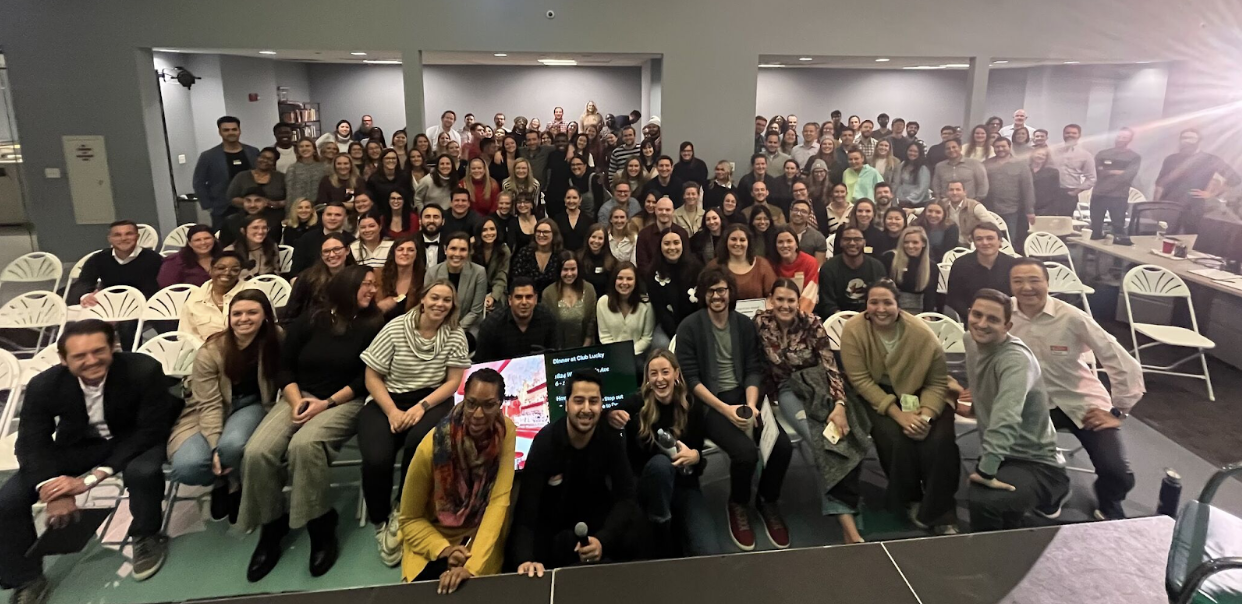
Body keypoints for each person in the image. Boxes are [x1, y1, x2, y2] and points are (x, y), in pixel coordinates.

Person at [0, 320, 172, 601]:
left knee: (142, 471)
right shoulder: (44, 385)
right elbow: (32, 441)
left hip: (134, 438)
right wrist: (53, 487)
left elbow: (150, 429)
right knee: (8, 500)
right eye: (79, 356)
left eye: (99, 351)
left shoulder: (143, 369)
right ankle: (25, 577)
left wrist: (90, 479)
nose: (91, 361)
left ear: (113, 348)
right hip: (82, 444)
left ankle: (147, 535)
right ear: (63, 359)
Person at [240, 266, 383, 581]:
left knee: (305, 446)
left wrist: (326, 404)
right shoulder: (312, 319)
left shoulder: (374, 324)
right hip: (298, 395)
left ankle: (320, 525)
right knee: (257, 451)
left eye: (374, 285)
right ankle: (271, 524)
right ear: (348, 286)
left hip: (344, 400)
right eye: (366, 284)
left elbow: (366, 378)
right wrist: (295, 401)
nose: (372, 290)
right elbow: (284, 366)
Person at [1007, 259, 1144, 520]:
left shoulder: (1071, 317)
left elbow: (1120, 360)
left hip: (1082, 402)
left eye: (1034, 280)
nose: (1027, 287)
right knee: (1018, 465)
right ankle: (1054, 492)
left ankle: (1109, 500)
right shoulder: (1004, 314)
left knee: (1117, 472)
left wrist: (1118, 411)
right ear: (1010, 285)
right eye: (1018, 281)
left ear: (1047, 283)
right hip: (1031, 403)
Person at [675, 268, 793, 550]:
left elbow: (753, 367)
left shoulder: (743, 324)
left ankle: (767, 500)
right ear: (704, 294)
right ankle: (738, 503)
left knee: (782, 446)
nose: (717, 296)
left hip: (746, 396)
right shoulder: (689, 327)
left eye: (722, 290)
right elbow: (692, 381)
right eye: (712, 291)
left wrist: (751, 407)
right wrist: (727, 410)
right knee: (745, 453)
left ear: (731, 293)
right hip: (709, 403)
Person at [359, 279, 471, 567]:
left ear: (452, 306)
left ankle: (403, 509)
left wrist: (422, 407)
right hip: (387, 398)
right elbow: (371, 377)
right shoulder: (395, 328)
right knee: (376, 458)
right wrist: (393, 412)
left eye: (446, 300)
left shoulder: (455, 334)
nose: (440, 304)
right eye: (435, 298)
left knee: (418, 446)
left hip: (432, 398)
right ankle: (380, 517)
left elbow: (453, 381)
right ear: (423, 299)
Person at [841, 280, 959, 533]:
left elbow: (937, 381)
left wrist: (925, 416)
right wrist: (899, 415)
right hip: (877, 393)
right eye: (874, 302)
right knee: (895, 438)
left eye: (887, 302)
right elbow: (860, 380)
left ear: (899, 306)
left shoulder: (921, 333)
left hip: (923, 392)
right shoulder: (854, 330)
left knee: (940, 440)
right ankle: (911, 499)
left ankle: (941, 511)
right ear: (866, 305)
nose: (880, 309)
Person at [754, 280, 864, 543]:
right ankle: (850, 527)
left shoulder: (812, 324)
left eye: (791, 300)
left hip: (818, 386)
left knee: (840, 438)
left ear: (797, 301)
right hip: (787, 391)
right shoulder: (760, 323)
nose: (785, 305)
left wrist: (839, 405)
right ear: (771, 300)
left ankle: (849, 514)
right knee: (821, 442)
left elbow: (830, 367)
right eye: (779, 299)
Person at [511, 369, 645, 574]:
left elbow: (626, 498)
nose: (586, 408)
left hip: (597, 526)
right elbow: (527, 511)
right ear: (566, 404)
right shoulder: (545, 443)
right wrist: (525, 559)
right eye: (579, 400)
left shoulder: (610, 438)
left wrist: (603, 540)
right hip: (557, 532)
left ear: (601, 405)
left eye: (593, 401)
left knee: (635, 531)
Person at [397, 368, 515, 592]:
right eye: (472, 403)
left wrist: (471, 567)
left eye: (488, 405)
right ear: (463, 401)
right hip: (436, 535)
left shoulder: (506, 430)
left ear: (500, 404)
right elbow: (409, 520)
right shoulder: (431, 448)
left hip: (478, 532)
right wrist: (445, 550)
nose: (478, 414)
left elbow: (498, 501)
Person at [962, 289, 1070, 532]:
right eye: (977, 315)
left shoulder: (1015, 360)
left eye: (992, 319)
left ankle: (989, 566)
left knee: (983, 500)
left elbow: (1006, 416)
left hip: (1037, 462)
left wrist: (986, 470)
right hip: (1004, 453)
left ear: (1007, 325)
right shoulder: (969, 340)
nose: (981, 324)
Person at [168, 289, 280, 524]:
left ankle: (236, 485)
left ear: (265, 316)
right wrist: (211, 445)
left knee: (232, 446)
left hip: (252, 403)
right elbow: (208, 404)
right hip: (211, 407)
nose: (244, 318)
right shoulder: (211, 350)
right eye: (237, 313)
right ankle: (220, 479)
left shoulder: (276, 339)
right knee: (187, 466)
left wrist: (220, 450)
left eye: (252, 312)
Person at [605, 350, 715, 557]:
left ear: (676, 374)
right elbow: (604, 418)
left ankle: (669, 523)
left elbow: (697, 461)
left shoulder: (692, 407)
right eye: (653, 373)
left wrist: (696, 457)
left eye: (665, 372)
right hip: (647, 488)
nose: (660, 379)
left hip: (684, 487)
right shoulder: (637, 405)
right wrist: (610, 415)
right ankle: (661, 523)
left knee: (708, 552)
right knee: (660, 465)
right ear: (647, 378)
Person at [1153, 128, 1241, 233]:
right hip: (1169, 205)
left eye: (1191, 138)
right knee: (1162, 237)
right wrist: (1155, 205)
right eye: (1184, 138)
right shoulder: (1171, 159)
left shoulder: (1210, 160)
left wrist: (1211, 194)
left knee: (1189, 238)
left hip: (1193, 206)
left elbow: (1235, 179)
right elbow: (1160, 185)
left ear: (1199, 141)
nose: (1187, 141)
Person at [68, 220, 162, 304]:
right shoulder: (98, 259)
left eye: (129, 234)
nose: (123, 238)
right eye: (117, 235)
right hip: (106, 304)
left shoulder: (154, 259)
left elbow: (153, 291)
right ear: (110, 239)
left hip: (139, 307)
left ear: (137, 237)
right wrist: (85, 296)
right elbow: (84, 283)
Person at [194, 116, 260, 229]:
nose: (231, 132)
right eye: (226, 130)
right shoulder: (208, 156)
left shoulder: (253, 152)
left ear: (239, 131)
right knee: (224, 242)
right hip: (222, 208)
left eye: (234, 129)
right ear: (219, 132)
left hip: (251, 207)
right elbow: (198, 183)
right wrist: (209, 206)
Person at [475, 278, 557, 362]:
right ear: (510, 300)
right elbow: (481, 364)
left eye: (529, 297)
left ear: (535, 299)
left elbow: (556, 357)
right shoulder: (491, 325)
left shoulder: (547, 319)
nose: (524, 302)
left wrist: (545, 357)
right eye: (518, 297)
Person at [646, 229, 702, 350]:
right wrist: (676, 335)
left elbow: (701, 305)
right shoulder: (653, 272)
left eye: (676, 242)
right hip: (668, 326)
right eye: (667, 243)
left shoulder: (696, 268)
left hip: (695, 324)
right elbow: (660, 310)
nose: (672, 247)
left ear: (683, 244)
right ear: (660, 246)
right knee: (660, 345)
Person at [947, 222, 1016, 318]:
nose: (985, 243)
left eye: (990, 238)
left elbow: (1015, 296)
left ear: (1000, 241)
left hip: (1007, 318)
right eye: (979, 239)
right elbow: (954, 298)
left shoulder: (1013, 265)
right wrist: (973, 316)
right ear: (974, 242)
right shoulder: (960, 264)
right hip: (971, 318)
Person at [817, 226, 888, 317]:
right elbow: (827, 303)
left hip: (870, 318)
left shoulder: (877, 267)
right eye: (847, 239)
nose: (852, 243)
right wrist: (845, 321)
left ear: (864, 242)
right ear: (841, 243)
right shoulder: (828, 268)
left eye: (857, 239)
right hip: (837, 320)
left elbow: (881, 299)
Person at [285, 233, 356, 323]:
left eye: (337, 249)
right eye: (326, 251)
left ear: (347, 250)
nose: (332, 255)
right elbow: (292, 312)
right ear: (321, 255)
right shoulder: (307, 278)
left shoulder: (357, 277)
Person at [177, 251, 246, 340]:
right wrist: (206, 351)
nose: (227, 273)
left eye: (235, 270)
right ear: (211, 269)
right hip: (204, 350)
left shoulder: (252, 293)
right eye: (221, 268)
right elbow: (186, 334)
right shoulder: (195, 298)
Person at [426, 232, 487, 332]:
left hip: (468, 327)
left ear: (469, 252)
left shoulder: (479, 273)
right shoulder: (432, 273)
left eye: (463, 250)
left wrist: (455, 331)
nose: (457, 254)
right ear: (445, 250)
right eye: (453, 249)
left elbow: (475, 312)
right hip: (437, 325)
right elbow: (428, 305)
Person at [983, 137, 1036, 251]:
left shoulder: (1021, 165)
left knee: (1008, 241)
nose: (1000, 149)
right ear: (993, 148)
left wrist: (1030, 210)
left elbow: (1028, 188)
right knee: (988, 239)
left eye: (1003, 146)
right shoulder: (986, 164)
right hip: (990, 209)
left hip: (1012, 210)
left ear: (1009, 147)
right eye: (997, 147)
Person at [1091, 128, 1141, 244]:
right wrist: (1118, 171)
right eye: (1119, 137)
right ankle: (1091, 257)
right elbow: (1097, 172)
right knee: (1095, 228)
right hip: (1099, 194)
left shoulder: (1134, 157)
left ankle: (1117, 260)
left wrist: (1108, 171)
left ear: (1130, 140)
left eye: (1124, 137)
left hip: (1119, 196)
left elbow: (1127, 176)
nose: (1120, 139)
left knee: (1118, 227)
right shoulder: (1102, 154)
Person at [541, 251, 597, 349]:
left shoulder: (589, 289)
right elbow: (547, 326)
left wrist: (585, 347)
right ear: (559, 270)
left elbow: (592, 322)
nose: (569, 274)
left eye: (573, 269)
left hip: (586, 350)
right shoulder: (548, 294)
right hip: (558, 352)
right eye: (565, 270)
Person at [709, 224, 776, 301]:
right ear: (726, 241)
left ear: (748, 242)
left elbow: (773, 295)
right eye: (733, 239)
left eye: (742, 240)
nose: (738, 243)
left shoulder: (762, 265)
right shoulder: (714, 266)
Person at [290, 202, 354, 275]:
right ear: (323, 216)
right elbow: (295, 272)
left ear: (345, 217)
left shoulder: (351, 241)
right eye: (329, 214)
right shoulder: (306, 239)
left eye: (337, 215)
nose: (332, 218)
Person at [888, 226, 939, 312]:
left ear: (923, 243)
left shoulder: (932, 266)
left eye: (915, 242)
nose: (910, 246)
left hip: (919, 310)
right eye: (906, 242)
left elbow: (930, 296)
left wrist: (927, 315)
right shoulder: (890, 259)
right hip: (894, 308)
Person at [226, 147, 287, 219]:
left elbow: (291, 198)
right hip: (246, 218)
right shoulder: (242, 176)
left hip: (275, 218)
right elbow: (231, 197)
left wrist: (277, 204)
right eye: (262, 157)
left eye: (270, 159)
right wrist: (252, 203)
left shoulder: (281, 177)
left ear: (274, 163)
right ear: (257, 158)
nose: (265, 160)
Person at [771, 227, 820, 313]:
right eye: (780, 242)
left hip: (804, 313)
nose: (785, 245)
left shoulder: (810, 262)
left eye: (789, 241)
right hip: (778, 312)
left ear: (796, 244)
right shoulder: (771, 264)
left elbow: (809, 296)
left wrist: (795, 317)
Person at [510, 218, 565, 295]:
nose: (541, 235)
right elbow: (516, 279)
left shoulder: (561, 255)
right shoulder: (524, 253)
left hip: (554, 297)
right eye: (538, 232)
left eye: (545, 232)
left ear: (554, 234)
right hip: (527, 297)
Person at [375, 237, 426, 318]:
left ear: (417, 254)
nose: (405, 253)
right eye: (400, 249)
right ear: (393, 253)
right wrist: (378, 308)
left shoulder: (425, 277)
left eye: (410, 250)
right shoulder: (377, 275)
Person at [636, 196, 691, 268]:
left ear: (673, 211)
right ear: (655, 211)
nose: (664, 212)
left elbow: (686, 260)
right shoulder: (644, 234)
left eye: (667, 210)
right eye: (660, 209)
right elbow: (642, 264)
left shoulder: (682, 233)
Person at [225, 214, 280, 280]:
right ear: (243, 231)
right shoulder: (230, 251)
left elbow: (277, 274)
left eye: (264, 228)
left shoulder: (272, 247)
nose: (260, 232)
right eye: (255, 228)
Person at [942, 181, 992, 246]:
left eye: (958, 189)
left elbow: (992, 225)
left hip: (970, 245)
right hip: (948, 244)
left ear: (964, 192)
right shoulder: (942, 205)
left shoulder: (974, 206)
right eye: (951, 190)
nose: (954, 193)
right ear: (947, 193)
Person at [285, 139, 329, 207]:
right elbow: (289, 194)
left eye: (307, 146)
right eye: (301, 146)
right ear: (298, 151)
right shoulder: (292, 168)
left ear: (314, 149)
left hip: (319, 207)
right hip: (299, 209)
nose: (304, 148)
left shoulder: (324, 167)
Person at [787, 195, 827, 265]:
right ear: (790, 212)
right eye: (796, 210)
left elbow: (819, 266)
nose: (798, 214)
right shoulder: (777, 231)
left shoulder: (818, 237)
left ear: (809, 216)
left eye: (803, 211)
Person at [578, 224, 617, 296]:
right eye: (593, 237)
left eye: (600, 238)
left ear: (605, 241)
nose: (596, 241)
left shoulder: (612, 262)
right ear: (588, 238)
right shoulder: (578, 258)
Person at [894, 141, 932, 209]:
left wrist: (909, 200)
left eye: (915, 152)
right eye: (910, 151)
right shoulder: (903, 164)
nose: (912, 153)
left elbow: (922, 188)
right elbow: (898, 183)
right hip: (901, 201)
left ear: (920, 153)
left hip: (917, 203)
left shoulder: (923, 168)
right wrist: (898, 197)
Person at [553, 187, 592, 252]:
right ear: (564, 200)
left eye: (574, 198)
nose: (571, 201)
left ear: (580, 200)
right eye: (568, 198)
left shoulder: (588, 220)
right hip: (562, 256)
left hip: (583, 257)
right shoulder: (557, 219)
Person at [1029, 147, 1062, 216]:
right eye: (1038, 154)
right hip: (1026, 208)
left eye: (1043, 155)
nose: (1040, 156)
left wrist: (1054, 209)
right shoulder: (1024, 170)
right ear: (1032, 155)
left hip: (1045, 209)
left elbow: (1056, 192)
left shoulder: (1053, 172)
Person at [419, 204, 449, 269]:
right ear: (420, 221)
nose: (431, 220)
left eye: (436, 217)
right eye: (427, 217)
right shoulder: (411, 242)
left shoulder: (450, 242)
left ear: (443, 221)